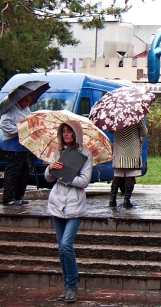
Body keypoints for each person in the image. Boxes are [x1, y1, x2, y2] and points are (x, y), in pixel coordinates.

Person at [44, 120, 92, 303]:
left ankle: (72, 285)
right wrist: (51, 168)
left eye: (69, 131)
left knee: (66, 245)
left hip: (74, 206)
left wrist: (66, 177)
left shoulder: (85, 154)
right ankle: (67, 286)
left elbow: (84, 181)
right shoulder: (59, 151)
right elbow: (48, 178)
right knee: (61, 249)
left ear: (76, 133)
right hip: (57, 203)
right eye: (63, 131)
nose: (65, 134)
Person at [0, 93, 33, 206]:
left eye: (29, 101)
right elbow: (4, 124)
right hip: (13, 144)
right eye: (27, 101)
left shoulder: (26, 109)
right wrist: (18, 130)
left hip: (23, 145)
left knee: (24, 171)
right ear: (20, 99)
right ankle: (9, 197)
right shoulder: (11, 109)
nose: (28, 104)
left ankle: (19, 195)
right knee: (13, 172)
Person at [109, 119, 148, 208]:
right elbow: (144, 132)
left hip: (119, 150)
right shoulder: (136, 117)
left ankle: (112, 199)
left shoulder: (116, 116)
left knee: (118, 175)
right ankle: (126, 200)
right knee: (131, 175)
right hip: (132, 150)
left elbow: (110, 130)